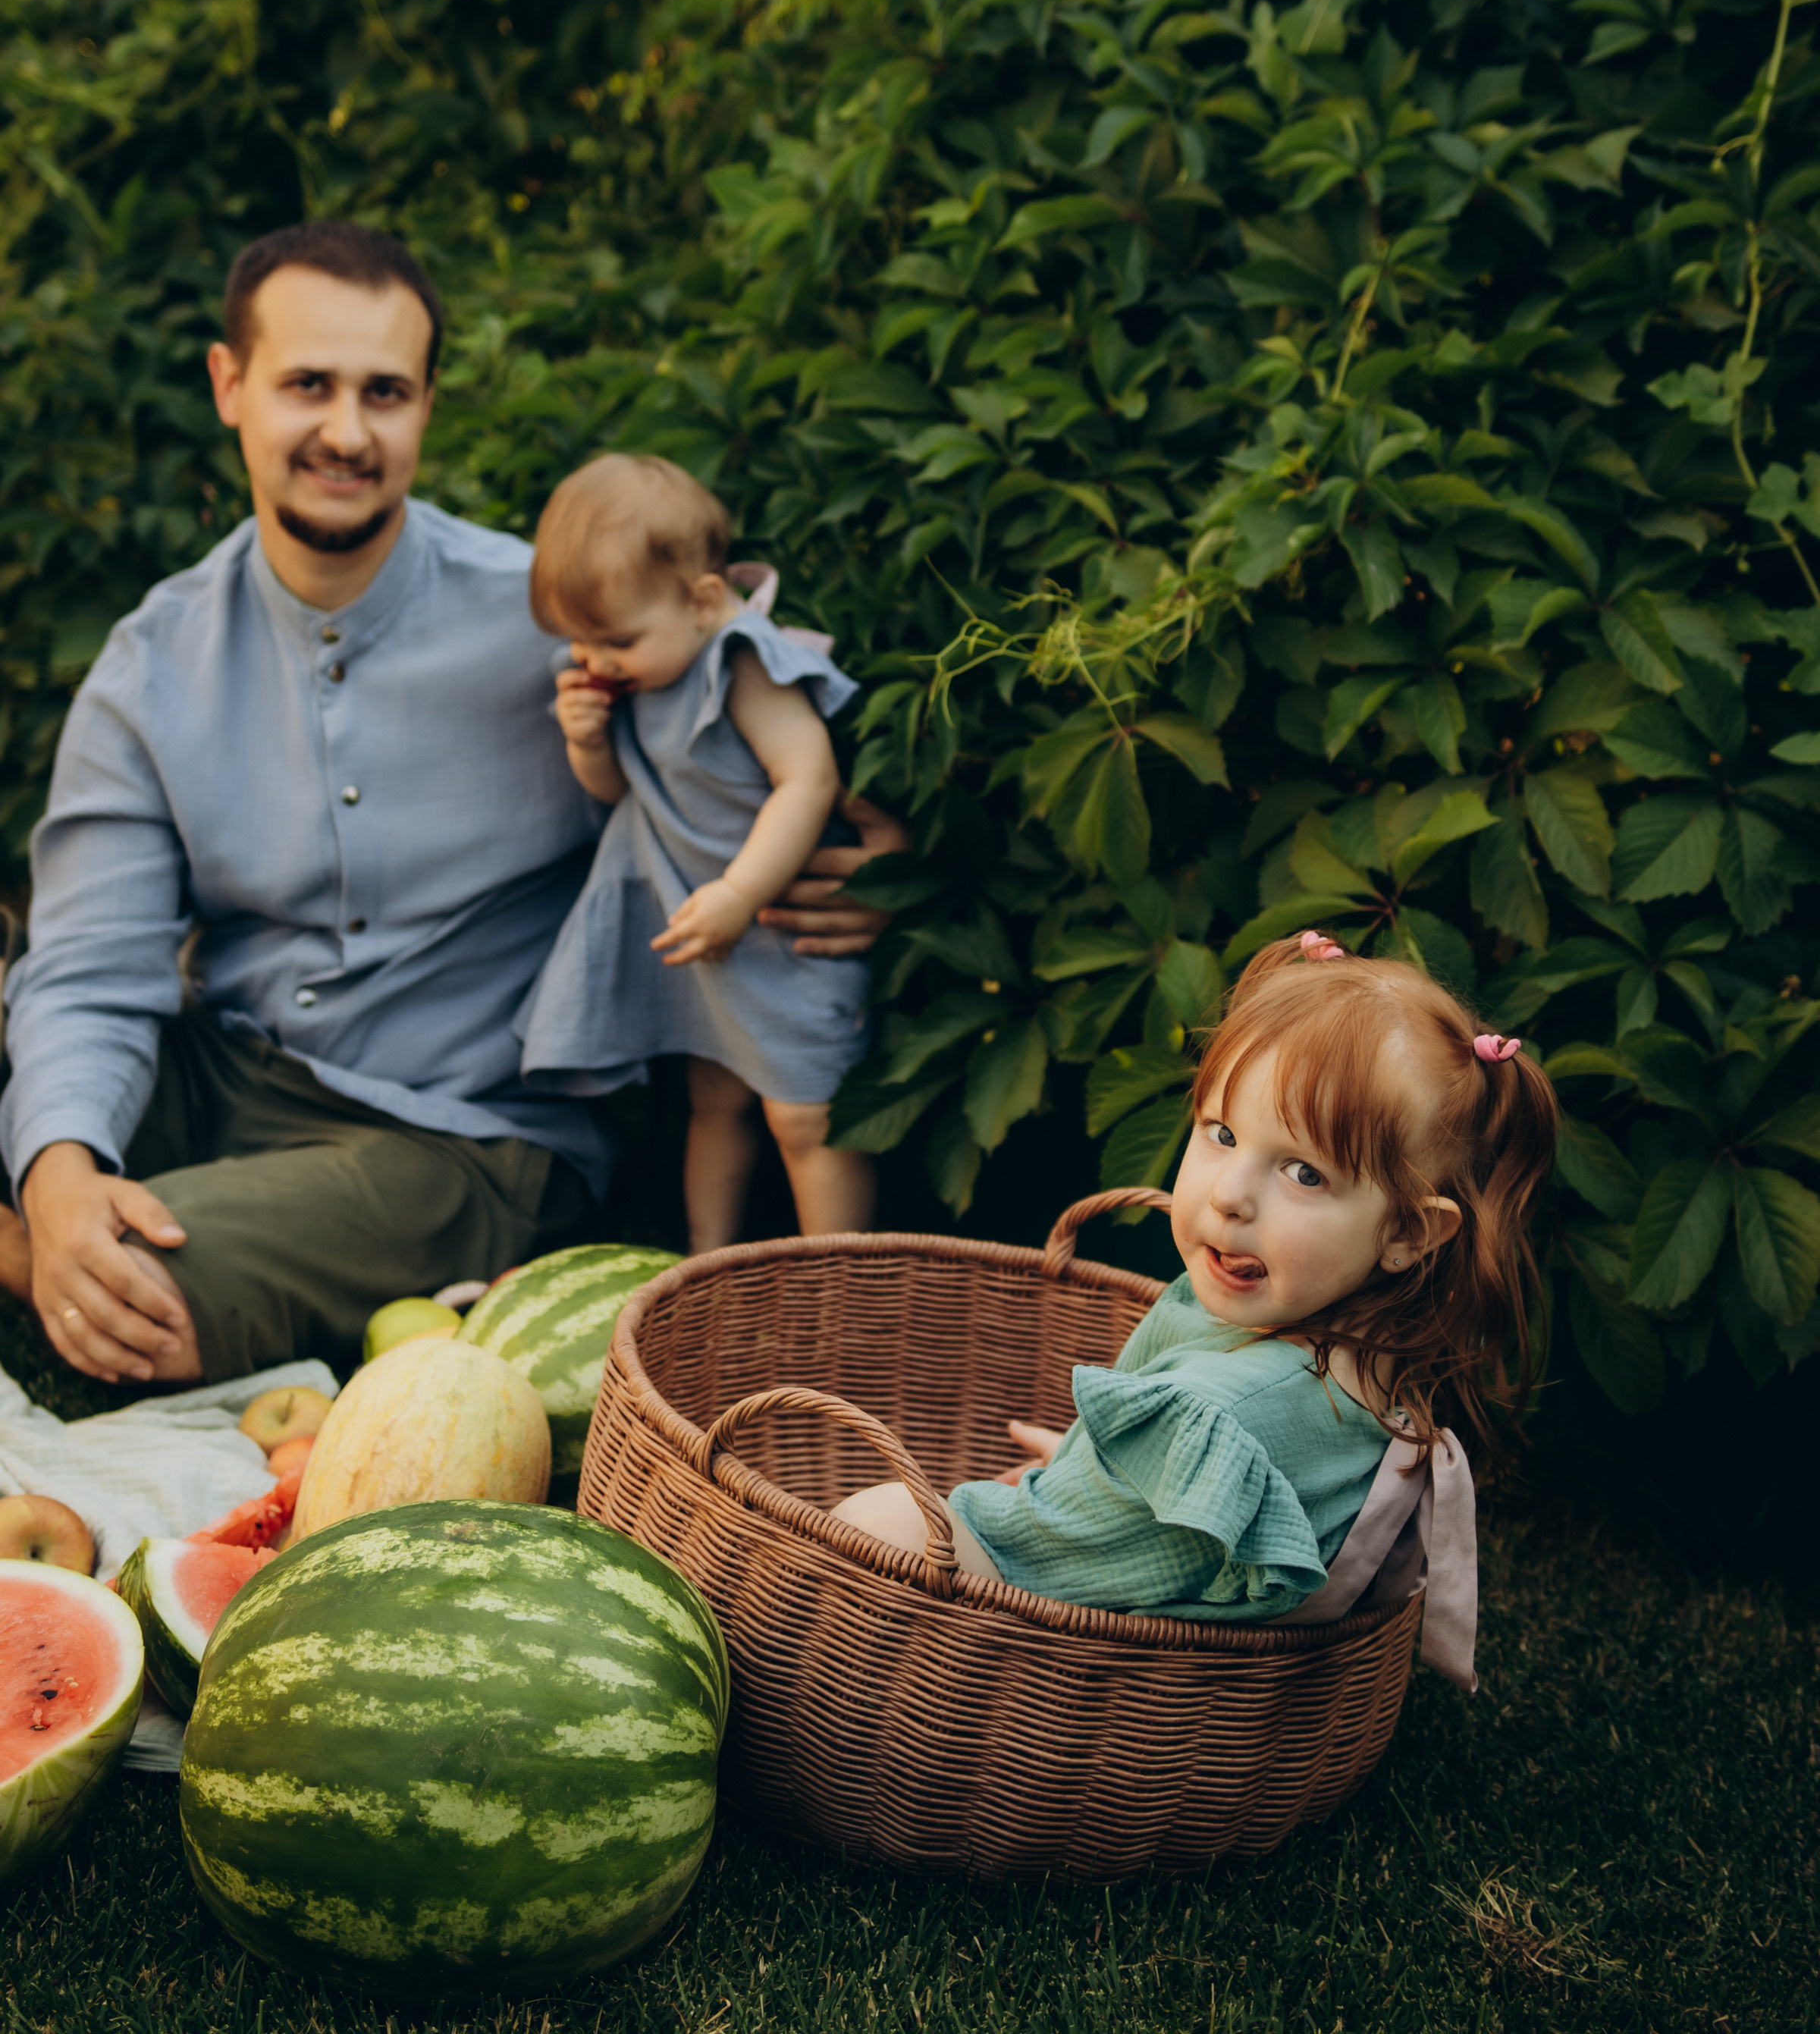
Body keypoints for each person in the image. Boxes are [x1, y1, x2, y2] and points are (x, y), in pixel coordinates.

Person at [0, 221, 899, 1389]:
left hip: (462, 1135)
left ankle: (61, 1259)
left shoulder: (565, 624)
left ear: (427, 404)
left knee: (146, 1293)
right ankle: (64, 1231)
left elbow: (746, 758)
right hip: (226, 1069)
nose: (346, 432)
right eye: (308, 385)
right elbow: (89, 965)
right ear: (230, 386)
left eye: (384, 392)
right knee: (58, 1124)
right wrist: (59, 1169)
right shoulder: (154, 665)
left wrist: (860, 868)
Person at [836, 931, 1556, 1658]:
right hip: (1109, 1582)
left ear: (1406, 1231)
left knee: (884, 1520)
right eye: (1222, 1133)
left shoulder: (1225, 1411)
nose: (1229, 1195)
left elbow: (1047, 1559)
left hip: (1023, 1640)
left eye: (1304, 1173)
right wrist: (1104, 1480)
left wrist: (1042, 1505)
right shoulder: (1358, 1364)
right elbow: (1184, 1542)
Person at [513, 453, 875, 1254]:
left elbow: (808, 779)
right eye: (579, 641)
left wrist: (742, 894)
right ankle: (708, 1263)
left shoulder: (739, 662)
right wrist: (587, 745)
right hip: (708, 933)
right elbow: (624, 791)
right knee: (713, 1096)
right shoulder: (641, 674)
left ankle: (843, 1283)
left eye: (617, 640)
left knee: (807, 1115)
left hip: (780, 931)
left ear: (705, 601)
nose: (596, 661)